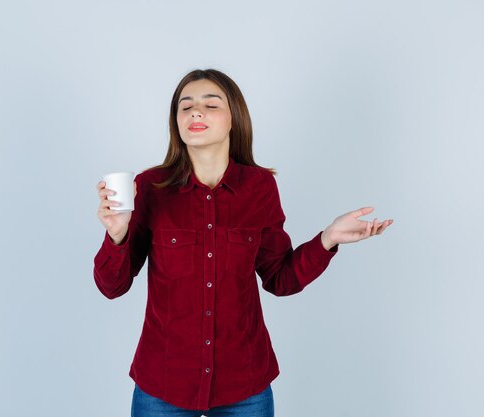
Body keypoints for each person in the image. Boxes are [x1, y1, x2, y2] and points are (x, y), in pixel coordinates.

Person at [93, 69, 393, 417]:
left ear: (233, 117)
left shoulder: (260, 187)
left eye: (210, 104)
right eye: (185, 106)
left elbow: (280, 278)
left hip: (244, 385)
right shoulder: (148, 188)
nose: (195, 112)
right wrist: (117, 234)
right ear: (176, 121)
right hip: (163, 385)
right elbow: (111, 286)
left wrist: (327, 239)